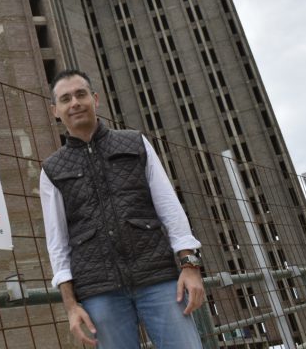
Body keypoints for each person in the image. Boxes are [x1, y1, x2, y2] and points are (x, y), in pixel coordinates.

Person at [39, 69, 205, 348]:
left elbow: (170, 208)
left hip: (158, 279)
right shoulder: (51, 170)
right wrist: (70, 305)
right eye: (65, 99)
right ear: (56, 111)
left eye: (81, 95)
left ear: (95, 99)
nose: (75, 103)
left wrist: (190, 266)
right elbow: (57, 243)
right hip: (99, 292)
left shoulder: (135, 143)